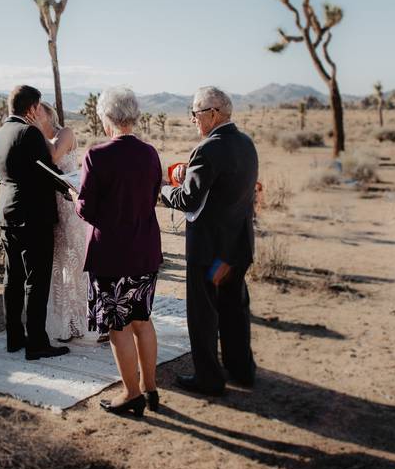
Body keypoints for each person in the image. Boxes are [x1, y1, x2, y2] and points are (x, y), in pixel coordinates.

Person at [160, 86, 259, 396]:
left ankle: (209, 378)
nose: (193, 120)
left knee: (204, 314)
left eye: (195, 113)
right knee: (234, 308)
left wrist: (162, 191)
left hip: (210, 251)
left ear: (213, 114)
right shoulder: (246, 143)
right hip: (236, 248)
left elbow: (189, 200)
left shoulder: (208, 148)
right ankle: (241, 369)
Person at [74, 87, 163, 416]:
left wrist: (75, 200)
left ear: (106, 117)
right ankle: (151, 388)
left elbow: (88, 209)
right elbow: (152, 195)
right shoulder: (151, 153)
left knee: (119, 326)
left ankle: (131, 394)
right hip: (144, 248)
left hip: (112, 254)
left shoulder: (97, 155)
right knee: (142, 319)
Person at [0, 85, 69, 361]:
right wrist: (72, 190)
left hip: (7, 214)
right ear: (33, 109)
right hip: (34, 216)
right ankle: (36, 342)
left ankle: (14, 337)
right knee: (37, 279)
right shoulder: (29, 132)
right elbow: (47, 171)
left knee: (12, 278)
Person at [37, 104, 89, 343]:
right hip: (50, 207)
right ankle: (59, 321)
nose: (33, 114)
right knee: (57, 265)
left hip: (69, 206)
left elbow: (54, 157)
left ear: (49, 114)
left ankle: (76, 321)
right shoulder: (39, 137)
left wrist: (36, 130)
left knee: (73, 263)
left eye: (38, 111)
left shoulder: (65, 132)